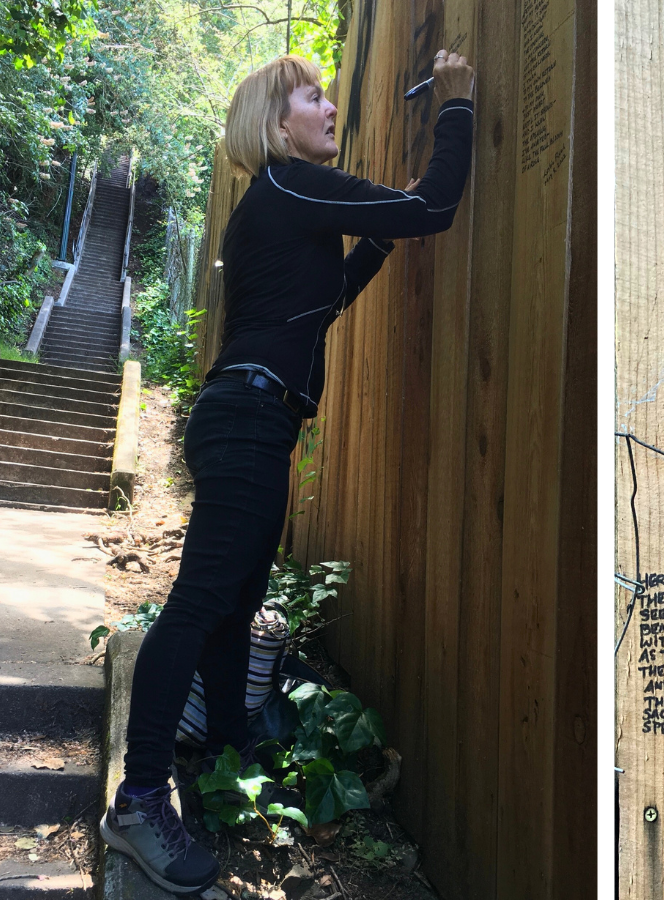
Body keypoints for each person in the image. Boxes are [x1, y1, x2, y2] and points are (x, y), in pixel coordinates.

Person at [98, 50, 475, 894]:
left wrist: (374, 244)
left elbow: (320, 305)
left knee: (230, 605)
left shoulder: (283, 205)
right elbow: (433, 206)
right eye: (314, 97)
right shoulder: (289, 185)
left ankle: (230, 742)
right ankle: (137, 802)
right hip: (246, 421)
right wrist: (457, 104)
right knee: (200, 604)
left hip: (254, 420)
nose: (331, 105)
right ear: (278, 126)